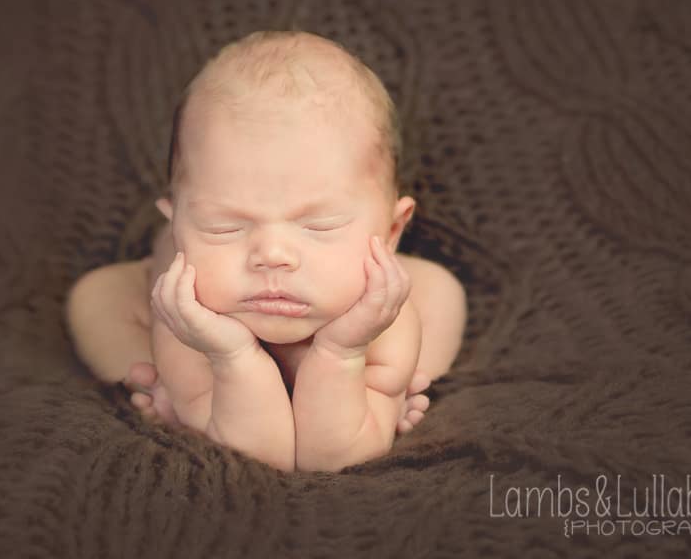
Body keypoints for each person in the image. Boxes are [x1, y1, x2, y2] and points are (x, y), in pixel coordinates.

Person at [66, 30, 466, 472]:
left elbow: (333, 458)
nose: (272, 254)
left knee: (439, 292)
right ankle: (160, 386)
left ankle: (396, 390)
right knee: (96, 296)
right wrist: (231, 355)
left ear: (392, 230)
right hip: (182, 318)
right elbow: (257, 454)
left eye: (319, 225)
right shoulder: (189, 321)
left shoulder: (384, 324)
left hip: (365, 307)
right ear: (175, 222)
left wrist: (342, 351)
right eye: (225, 226)